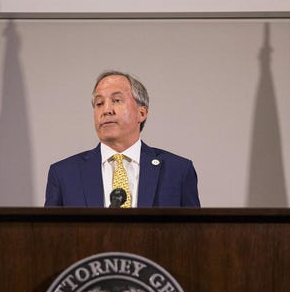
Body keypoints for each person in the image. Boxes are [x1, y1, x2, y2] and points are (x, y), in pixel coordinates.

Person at [44, 70, 200, 207]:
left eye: (116, 100)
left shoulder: (177, 170)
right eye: (99, 103)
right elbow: (51, 237)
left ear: (142, 113)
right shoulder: (64, 174)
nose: (106, 110)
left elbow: (193, 234)